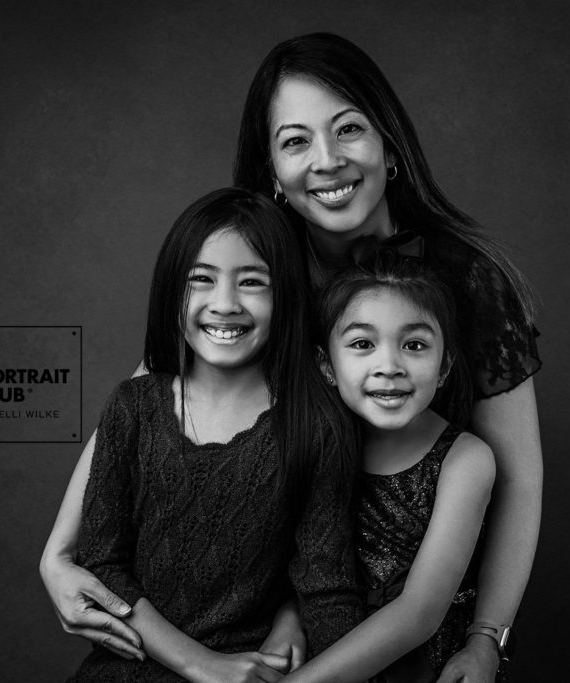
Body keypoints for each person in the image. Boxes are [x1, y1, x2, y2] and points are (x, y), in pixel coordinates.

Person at [42, 33, 543, 681]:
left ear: (389, 145)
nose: (328, 160)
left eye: (349, 129)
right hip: (278, 612)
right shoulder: (261, 273)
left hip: (416, 614)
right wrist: (58, 552)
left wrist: (488, 635)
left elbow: (520, 478)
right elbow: (150, 392)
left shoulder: (466, 280)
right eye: (296, 140)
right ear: (273, 174)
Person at [66, 187, 363, 682]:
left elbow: (326, 587)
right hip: (132, 664)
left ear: (285, 295)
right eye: (200, 280)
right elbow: (100, 563)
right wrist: (202, 666)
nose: (224, 304)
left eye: (252, 282)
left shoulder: (315, 425)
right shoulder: (133, 407)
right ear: (171, 291)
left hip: (255, 668)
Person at [276, 253, 495, 682]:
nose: (390, 366)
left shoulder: (465, 460)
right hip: (327, 656)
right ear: (327, 367)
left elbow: (419, 614)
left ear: (445, 364)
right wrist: (288, 619)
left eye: (414, 345)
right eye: (362, 344)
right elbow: (292, 560)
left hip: (425, 669)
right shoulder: (317, 445)